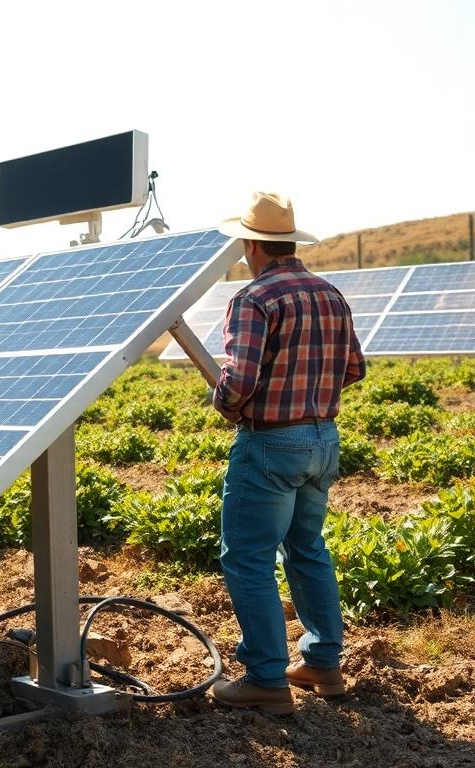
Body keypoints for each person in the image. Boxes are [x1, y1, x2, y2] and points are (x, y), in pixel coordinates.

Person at [208, 191, 366, 715]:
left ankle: (265, 679)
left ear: (252, 245)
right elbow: (354, 369)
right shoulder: (330, 294)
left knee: (248, 558)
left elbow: (239, 379)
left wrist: (226, 403)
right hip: (323, 440)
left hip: (271, 443)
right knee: (307, 549)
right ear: (290, 243)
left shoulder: (254, 298)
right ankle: (323, 663)